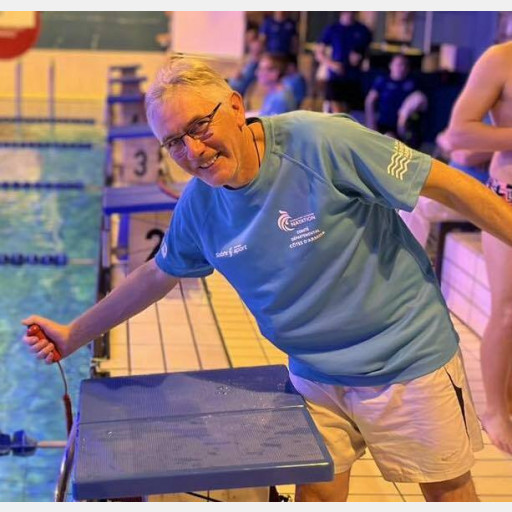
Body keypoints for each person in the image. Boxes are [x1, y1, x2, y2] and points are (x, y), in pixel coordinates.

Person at [23, 56, 512, 501]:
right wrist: (73, 334)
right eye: (173, 142)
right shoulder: (200, 204)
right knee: (316, 496)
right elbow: (156, 274)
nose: (193, 150)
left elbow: (447, 185)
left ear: (236, 107)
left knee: (446, 493)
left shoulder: (321, 142)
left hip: (405, 360)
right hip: (314, 374)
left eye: (199, 125)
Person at [442, 41, 512, 455]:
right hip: (507, 199)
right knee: (507, 310)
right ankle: (496, 411)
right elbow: (459, 134)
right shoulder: (501, 59)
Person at [365, 54, 427, 149]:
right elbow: (370, 101)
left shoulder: (413, 83)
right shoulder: (383, 81)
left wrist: (403, 117)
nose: (402, 68)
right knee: (387, 140)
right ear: (391, 66)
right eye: (399, 65)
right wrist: (371, 123)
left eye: (405, 65)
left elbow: (420, 99)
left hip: (404, 126)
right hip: (384, 125)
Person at [315, 11, 372, 113]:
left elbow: (367, 53)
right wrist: (332, 65)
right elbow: (319, 53)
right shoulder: (332, 29)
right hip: (336, 78)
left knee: (351, 113)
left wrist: (360, 57)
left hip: (354, 77)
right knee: (336, 111)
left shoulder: (362, 30)